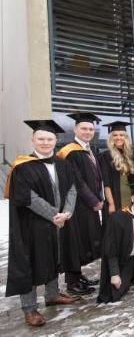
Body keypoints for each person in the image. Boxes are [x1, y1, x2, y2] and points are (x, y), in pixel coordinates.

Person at [4, 120, 80, 327]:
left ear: (55, 141)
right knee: (29, 263)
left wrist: (67, 212)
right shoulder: (21, 166)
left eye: (49, 139)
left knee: (55, 256)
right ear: (33, 140)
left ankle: (52, 294)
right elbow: (28, 197)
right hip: (31, 224)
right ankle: (29, 308)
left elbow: (72, 189)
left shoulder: (64, 164)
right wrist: (55, 214)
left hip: (60, 222)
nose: (45, 143)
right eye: (41, 139)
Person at [57, 112, 104, 295]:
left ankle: (78, 275)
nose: (88, 131)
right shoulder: (70, 151)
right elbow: (76, 181)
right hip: (75, 205)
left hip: (86, 205)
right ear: (75, 129)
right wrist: (93, 200)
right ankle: (72, 281)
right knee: (74, 241)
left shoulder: (88, 149)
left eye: (91, 129)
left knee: (82, 240)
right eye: (84, 128)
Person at [99, 121, 134, 217]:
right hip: (115, 198)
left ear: (126, 137)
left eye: (121, 135)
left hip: (130, 198)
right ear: (111, 138)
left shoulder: (130, 155)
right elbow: (106, 183)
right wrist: (111, 204)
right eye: (115, 135)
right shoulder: (105, 156)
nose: (118, 137)